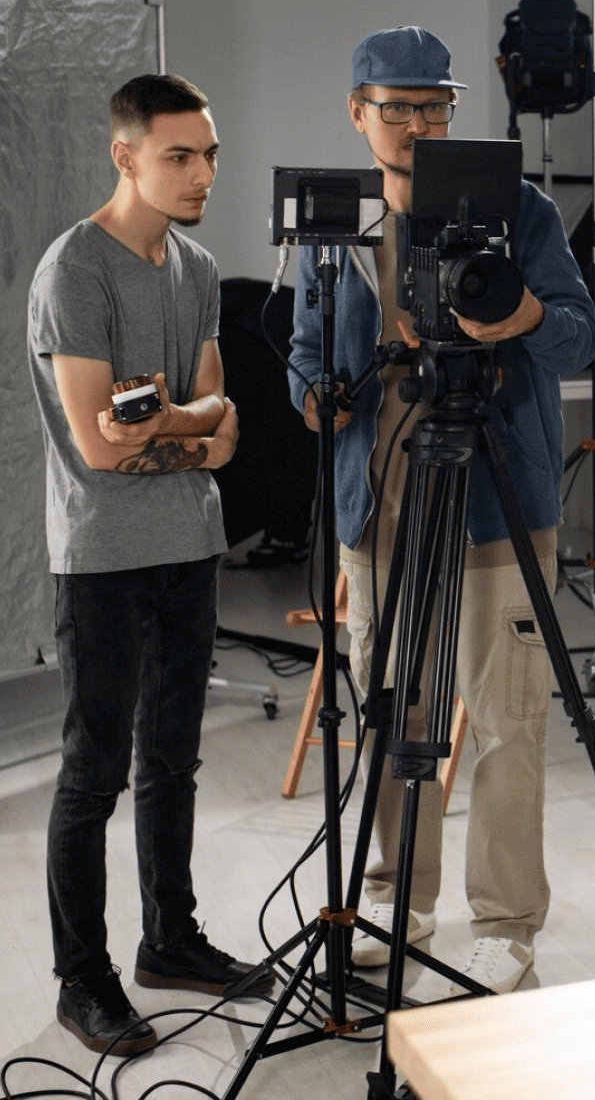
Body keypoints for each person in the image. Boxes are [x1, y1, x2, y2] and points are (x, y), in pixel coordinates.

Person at [286, 26, 595, 995]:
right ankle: (393, 895)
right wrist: (314, 395)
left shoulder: (525, 213)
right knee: (389, 708)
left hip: (499, 506)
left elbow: (580, 336)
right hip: (377, 507)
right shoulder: (334, 226)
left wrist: (525, 320)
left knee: (507, 720)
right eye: (398, 109)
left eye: (435, 107)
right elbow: (304, 355)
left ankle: (504, 925)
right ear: (358, 114)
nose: (418, 125)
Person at [28, 74, 269, 1057]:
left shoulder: (199, 266)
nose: (204, 171)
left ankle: (169, 941)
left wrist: (167, 421)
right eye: (182, 155)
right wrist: (189, 425)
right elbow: (98, 445)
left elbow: (223, 428)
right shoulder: (73, 272)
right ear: (127, 156)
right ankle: (82, 981)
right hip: (104, 560)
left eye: (209, 153)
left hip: (190, 548)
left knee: (174, 760)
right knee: (94, 774)